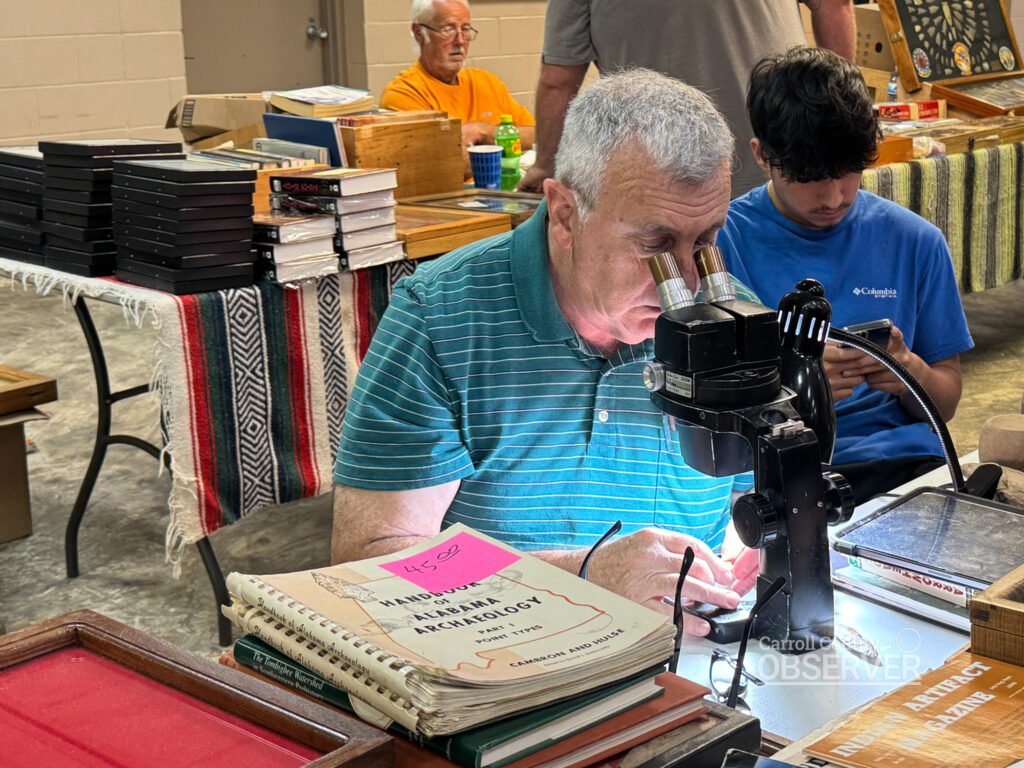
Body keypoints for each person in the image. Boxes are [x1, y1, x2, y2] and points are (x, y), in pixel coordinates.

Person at [333, 69, 760, 635]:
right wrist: (581, 577)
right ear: (564, 215)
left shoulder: (725, 318)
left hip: (689, 654)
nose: (685, 282)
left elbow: (754, 505)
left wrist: (768, 545)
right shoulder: (440, 321)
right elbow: (368, 562)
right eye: (655, 246)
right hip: (493, 654)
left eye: (705, 240)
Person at [716, 47, 974, 503]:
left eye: (849, 173)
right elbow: (700, 417)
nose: (834, 197)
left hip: (906, 468)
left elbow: (946, 402)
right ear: (762, 155)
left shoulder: (916, 241)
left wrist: (906, 371)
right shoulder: (721, 245)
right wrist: (792, 389)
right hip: (778, 474)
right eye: (811, 177)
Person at [518, 0, 855, 198]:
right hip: (782, 169)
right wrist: (839, 117)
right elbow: (835, 6)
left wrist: (546, 166)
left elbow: (559, 81)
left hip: (661, 186)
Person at [381, 0, 535, 172]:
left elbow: (537, 137)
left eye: (466, 29)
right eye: (448, 29)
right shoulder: (403, 94)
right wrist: (509, 149)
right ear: (419, 33)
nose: (460, 40)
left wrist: (482, 132)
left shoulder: (487, 82)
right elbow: (440, 167)